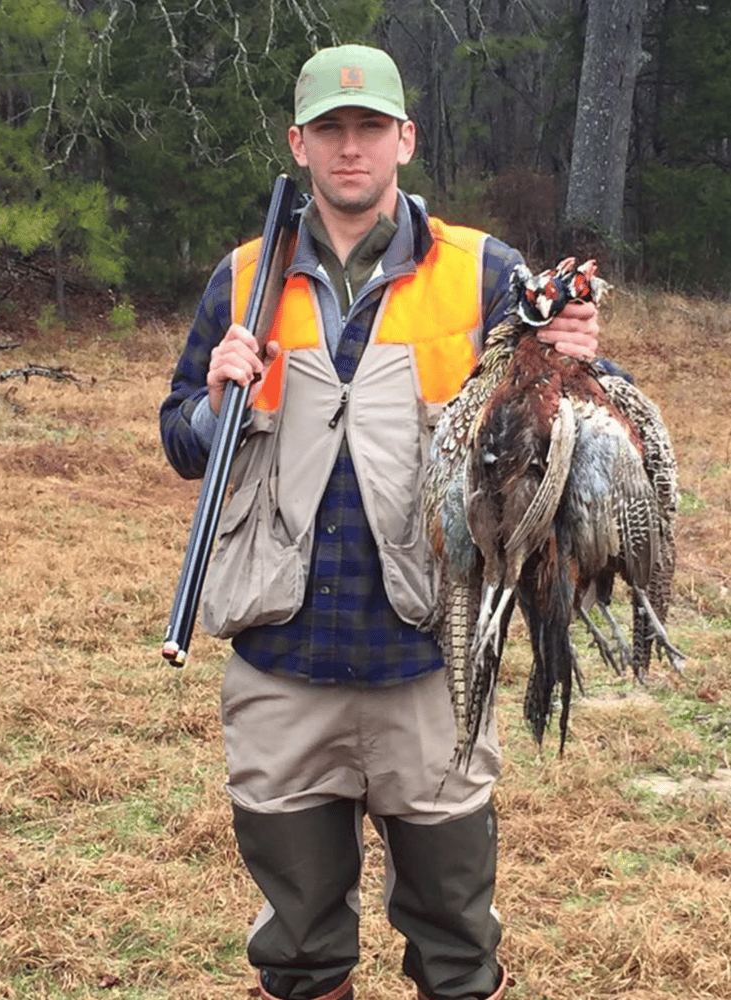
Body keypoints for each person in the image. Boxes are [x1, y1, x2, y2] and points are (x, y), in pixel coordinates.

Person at [160, 44, 599, 1000]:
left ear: (404, 137)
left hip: (429, 669)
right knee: (300, 953)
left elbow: (576, 441)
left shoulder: (484, 271)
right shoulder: (243, 279)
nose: (349, 149)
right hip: (283, 669)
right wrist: (212, 401)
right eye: (329, 130)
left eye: (369, 129)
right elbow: (182, 439)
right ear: (299, 143)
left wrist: (572, 361)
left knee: (453, 945)